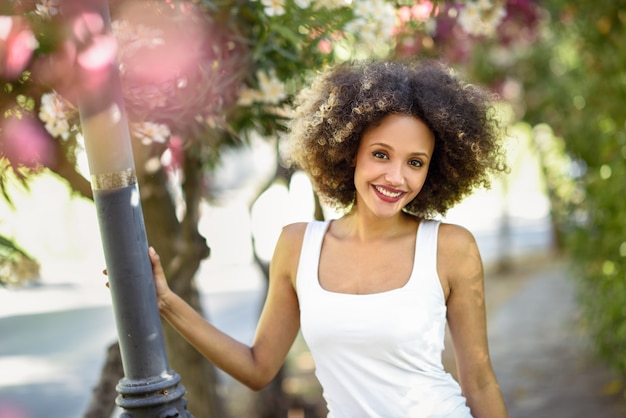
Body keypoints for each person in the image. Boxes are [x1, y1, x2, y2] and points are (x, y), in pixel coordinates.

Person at [146, 59, 509, 417]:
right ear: (350, 152)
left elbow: (479, 382)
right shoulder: (297, 246)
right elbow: (258, 368)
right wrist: (166, 302)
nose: (396, 177)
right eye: (381, 155)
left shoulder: (450, 247)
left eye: (415, 162)